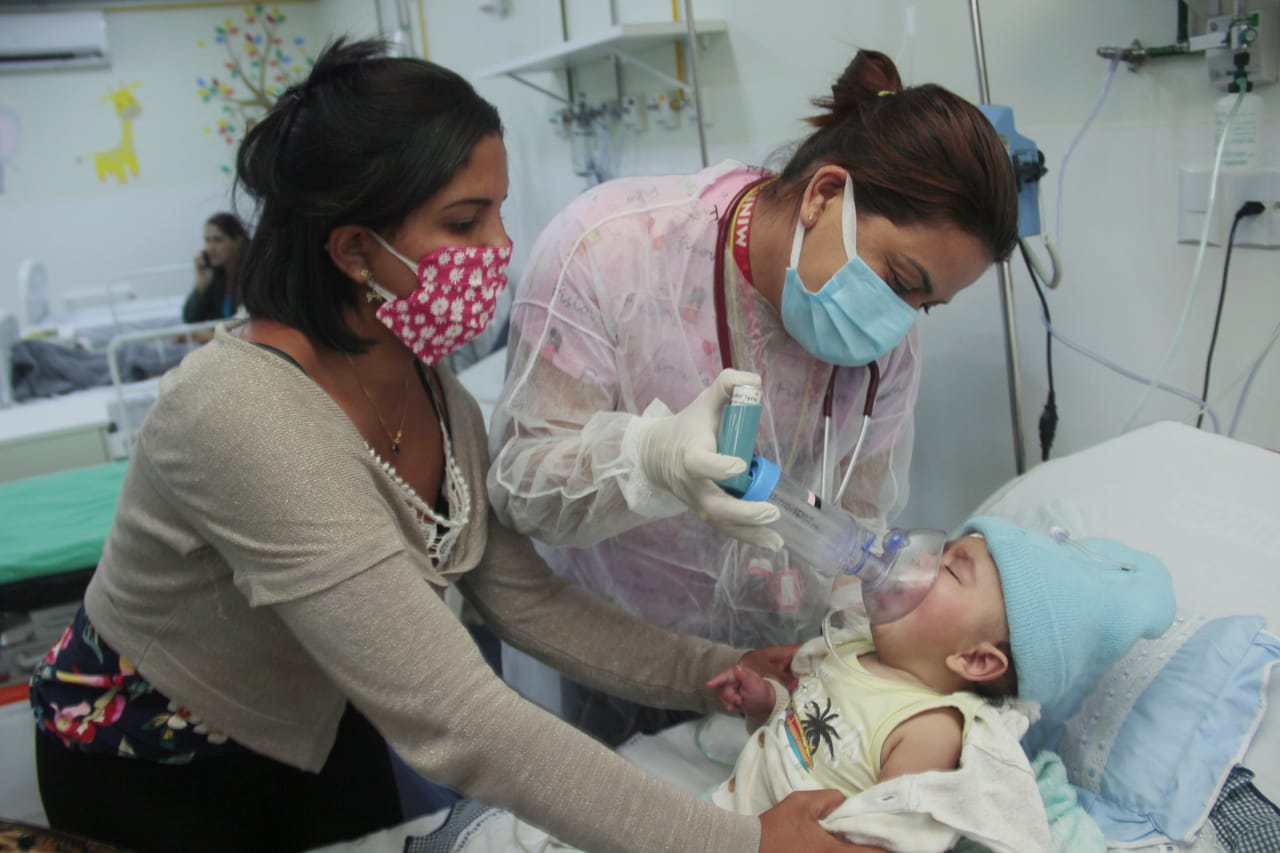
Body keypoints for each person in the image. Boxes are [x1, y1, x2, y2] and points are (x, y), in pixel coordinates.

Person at [27, 39, 864, 853]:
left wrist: (719, 668)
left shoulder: (433, 390)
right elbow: (457, 715)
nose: (501, 249)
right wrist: (738, 843)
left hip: (327, 726)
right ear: (356, 248)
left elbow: (524, 599)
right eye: (465, 220)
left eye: (501, 211)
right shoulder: (243, 413)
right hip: (158, 763)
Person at [486, 48, 1019, 744]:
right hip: (616, 647)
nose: (899, 319)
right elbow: (521, 487)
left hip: (777, 673)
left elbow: (853, 532)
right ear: (825, 194)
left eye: (927, 303)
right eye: (898, 277)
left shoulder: (888, 344)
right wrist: (647, 460)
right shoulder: (611, 251)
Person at [707, 516, 1176, 851]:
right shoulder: (854, 648)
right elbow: (809, 733)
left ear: (974, 659)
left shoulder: (928, 729)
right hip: (722, 821)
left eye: (949, 569)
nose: (919, 559)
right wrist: (768, 700)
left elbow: (887, 839)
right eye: (939, 550)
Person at [182, 211, 249, 323]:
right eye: (207, 241)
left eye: (217, 240)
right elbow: (190, 319)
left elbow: (246, 324)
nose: (209, 249)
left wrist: (207, 335)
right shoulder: (217, 275)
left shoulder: (252, 275)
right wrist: (201, 286)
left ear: (238, 240)